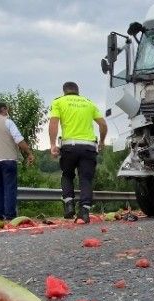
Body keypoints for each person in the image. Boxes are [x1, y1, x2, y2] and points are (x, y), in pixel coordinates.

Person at [48, 82, 108, 223]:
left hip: (69, 146)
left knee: (67, 175)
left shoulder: (59, 102)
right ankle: (85, 212)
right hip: (88, 147)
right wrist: (102, 142)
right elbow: (103, 124)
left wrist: (52, 145)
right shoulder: (89, 103)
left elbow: (53, 123)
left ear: (64, 91)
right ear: (77, 91)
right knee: (86, 179)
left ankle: (69, 204)